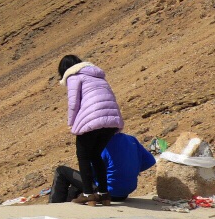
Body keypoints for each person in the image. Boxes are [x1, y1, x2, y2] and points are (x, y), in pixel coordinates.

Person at [55, 53, 122, 202]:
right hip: (111, 121)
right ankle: (104, 194)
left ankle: (87, 194)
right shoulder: (99, 76)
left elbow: (73, 103)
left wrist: (71, 123)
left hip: (91, 119)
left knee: (83, 156)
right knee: (95, 155)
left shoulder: (74, 76)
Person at [50, 130, 159, 203]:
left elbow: (90, 172)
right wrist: (129, 169)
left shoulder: (103, 143)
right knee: (75, 187)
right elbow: (150, 161)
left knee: (61, 171)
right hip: (125, 193)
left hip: (107, 192)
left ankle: (54, 206)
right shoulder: (131, 139)